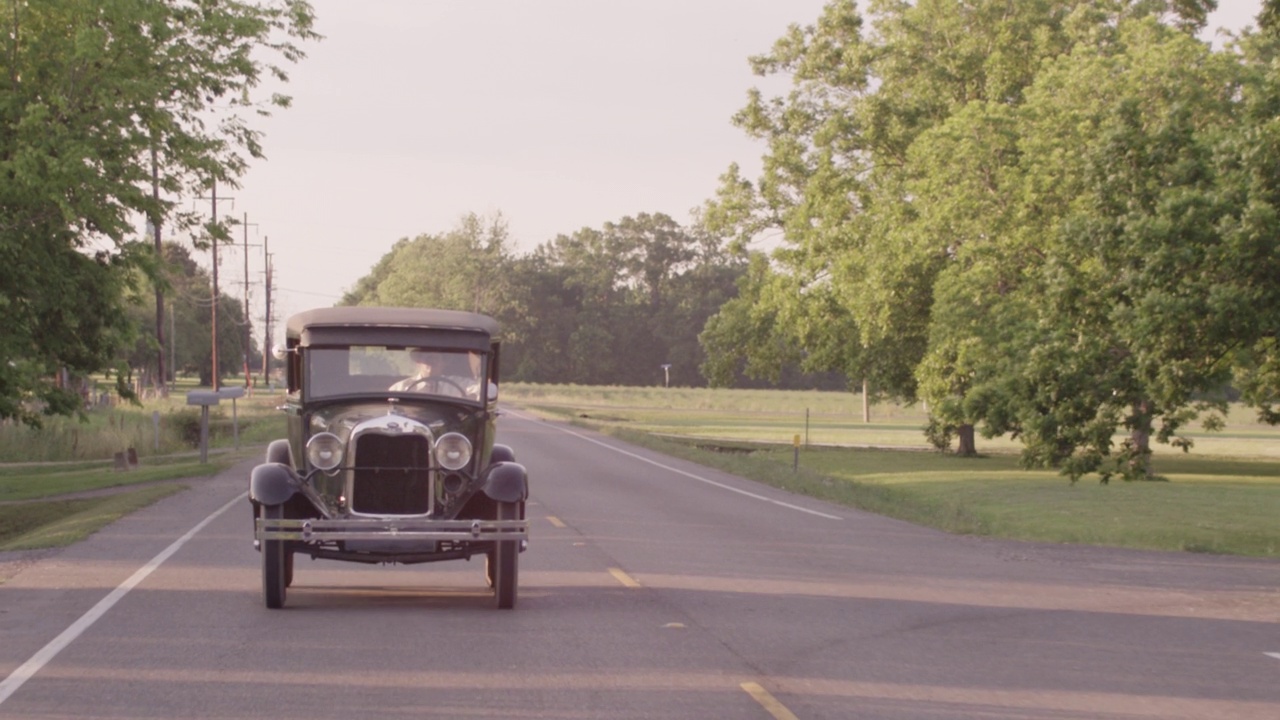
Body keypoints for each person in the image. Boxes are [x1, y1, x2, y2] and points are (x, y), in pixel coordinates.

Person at [389, 350, 465, 396]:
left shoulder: (459, 384)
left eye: (435, 358)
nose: (431, 361)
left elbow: (475, 390)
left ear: (443, 363)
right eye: (427, 358)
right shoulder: (400, 388)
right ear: (418, 362)